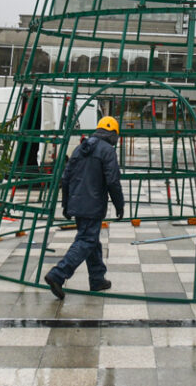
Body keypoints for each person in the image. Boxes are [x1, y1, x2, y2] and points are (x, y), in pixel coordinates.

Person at [45, 115, 124, 300]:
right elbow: (113, 181)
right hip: (93, 204)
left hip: (77, 202)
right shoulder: (107, 151)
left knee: (92, 240)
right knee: (87, 240)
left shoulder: (80, 148)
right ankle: (58, 274)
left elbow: (66, 177)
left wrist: (66, 204)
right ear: (113, 134)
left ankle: (97, 279)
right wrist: (119, 205)